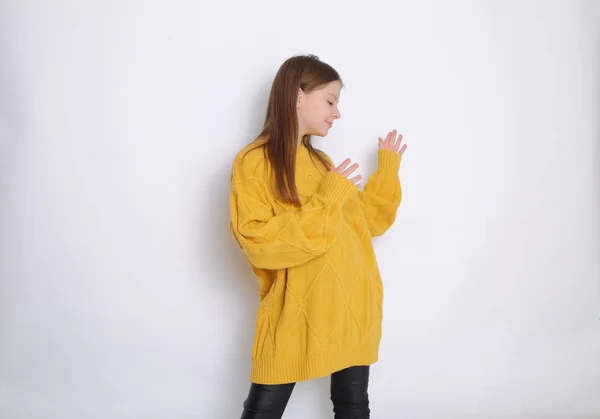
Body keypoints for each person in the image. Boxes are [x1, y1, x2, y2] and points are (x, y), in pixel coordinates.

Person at [229, 54, 407, 419]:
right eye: (330, 100)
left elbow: (368, 222)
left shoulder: (322, 164)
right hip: (296, 315)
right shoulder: (253, 162)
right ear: (298, 96)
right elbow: (259, 243)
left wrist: (387, 168)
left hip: (353, 309)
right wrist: (327, 197)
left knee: (353, 409)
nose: (336, 113)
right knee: (262, 409)